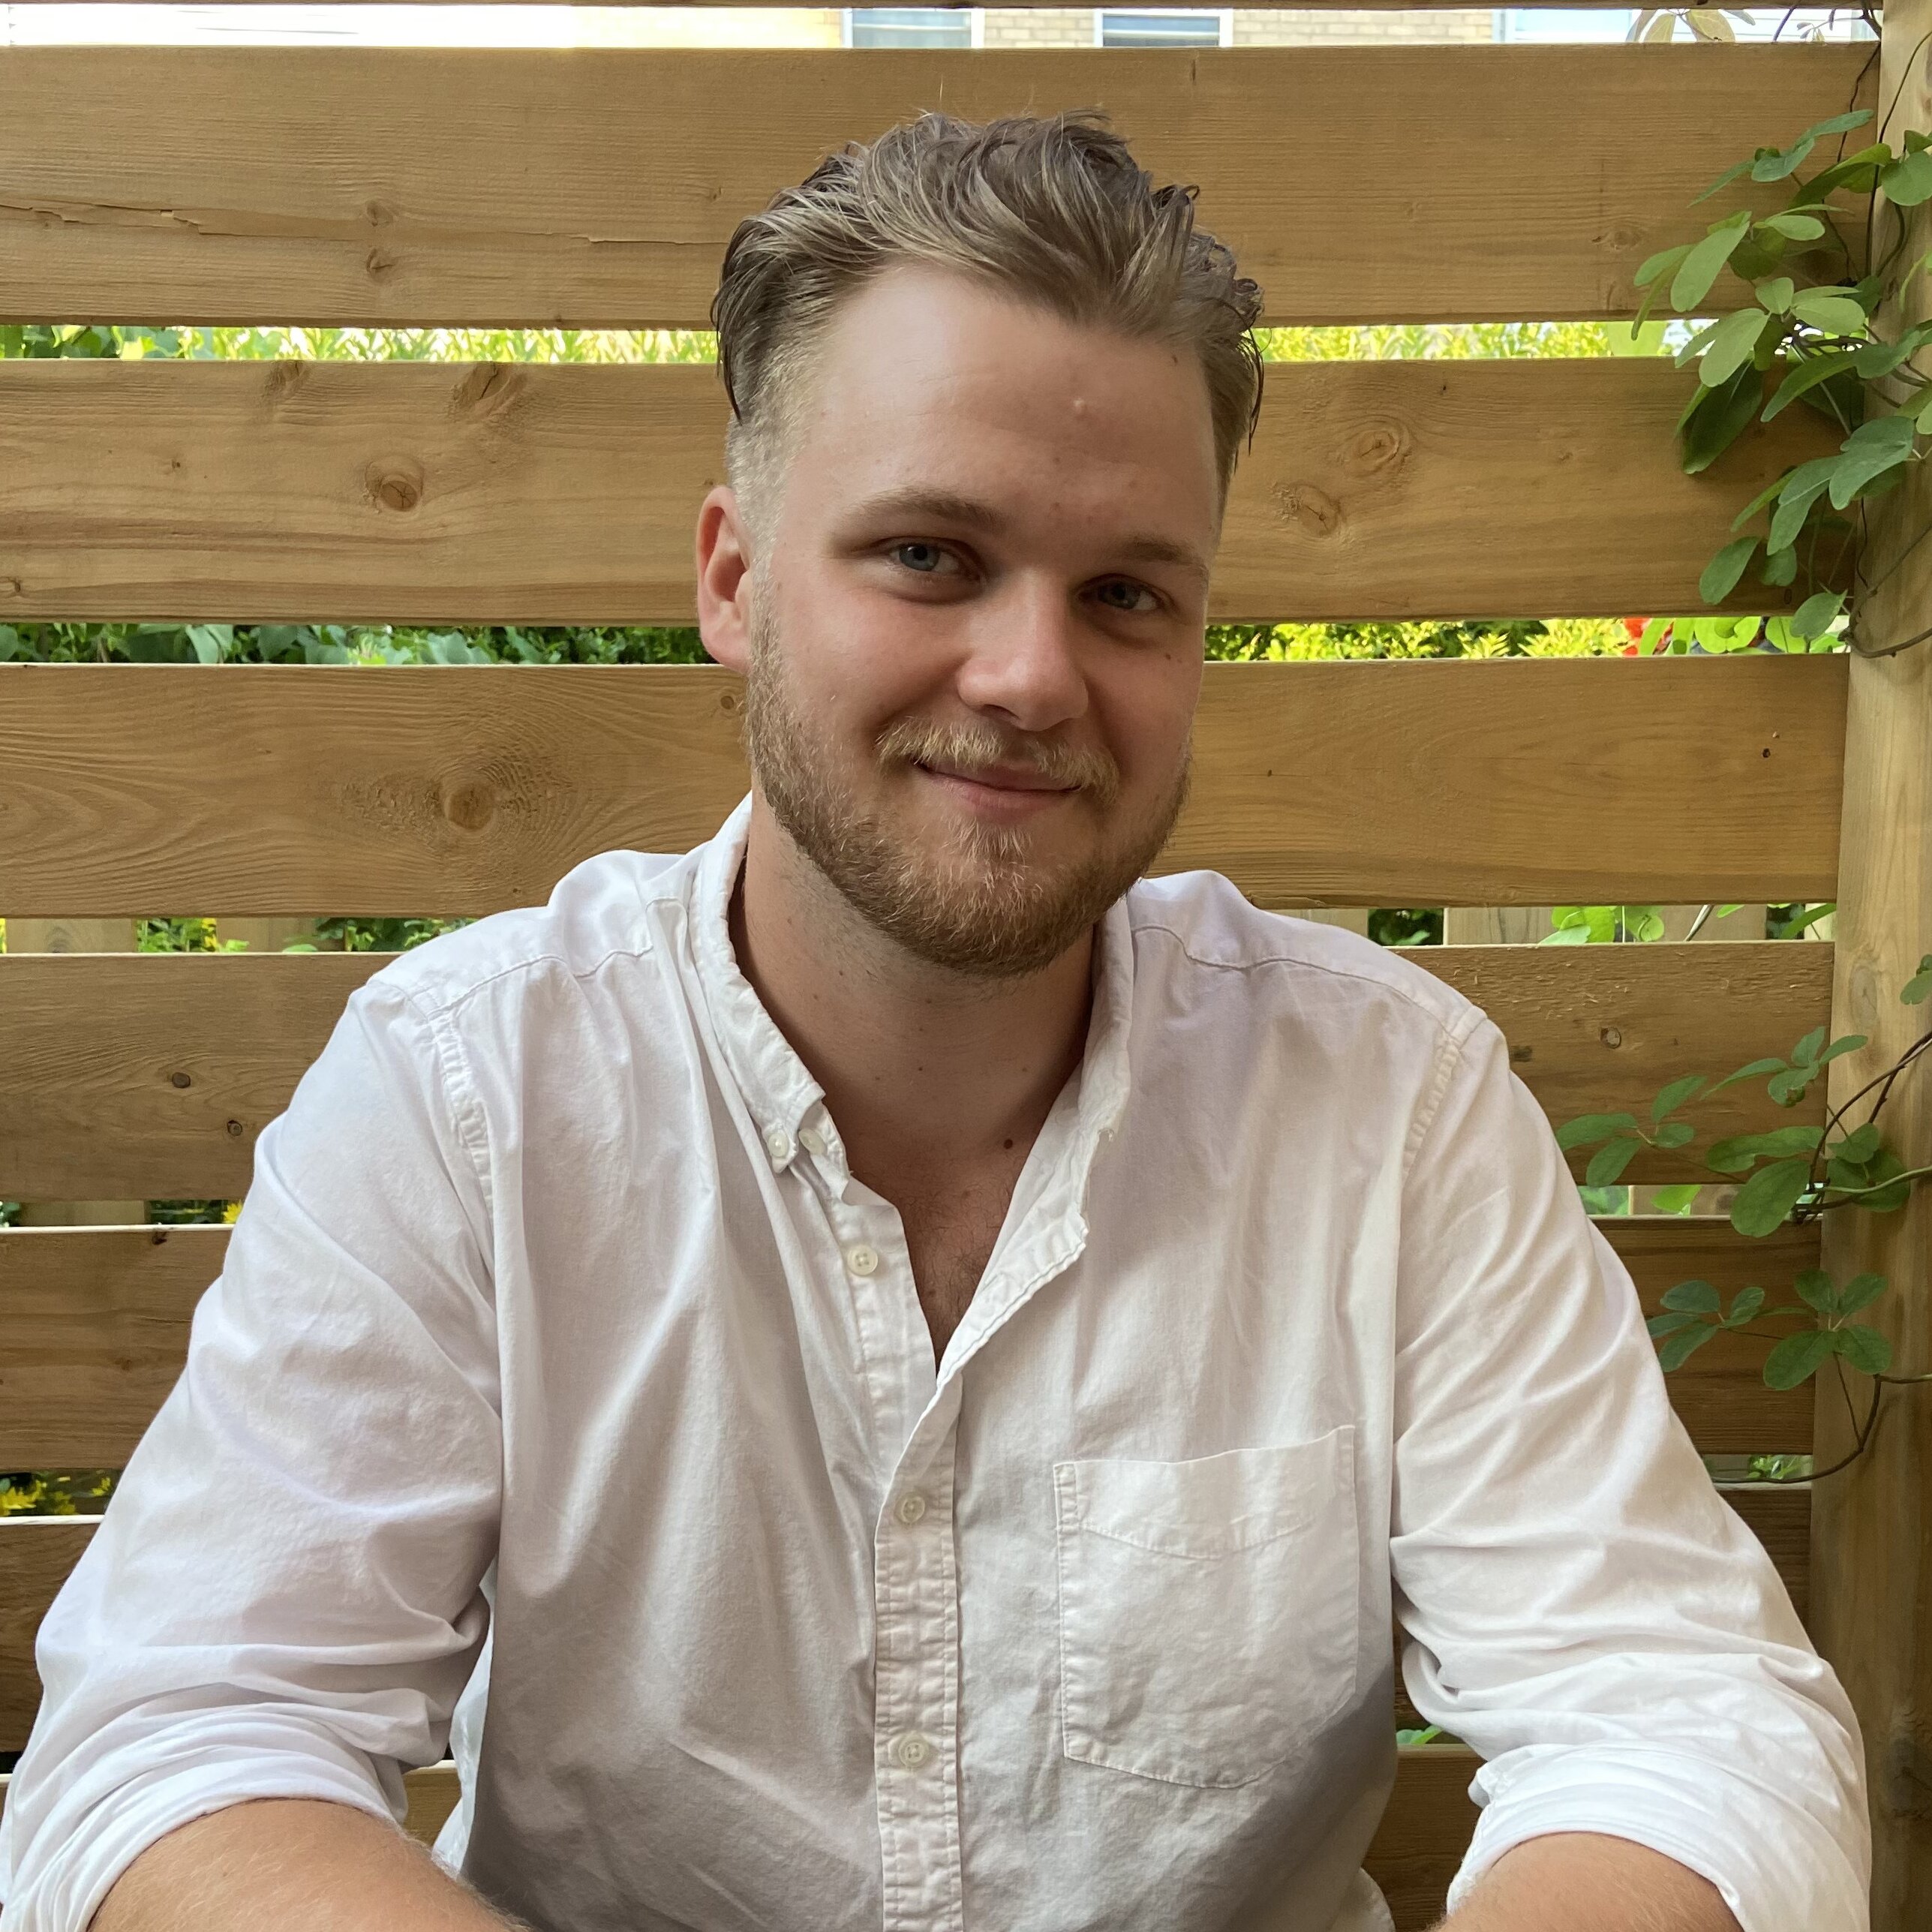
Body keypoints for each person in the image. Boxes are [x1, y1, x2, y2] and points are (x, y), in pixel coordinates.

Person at [0, 112, 1868, 1932]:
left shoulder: (1390, 1102)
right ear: (735, 579)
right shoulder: (469, 1091)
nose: (1031, 673)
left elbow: (1678, 1713)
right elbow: (184, 1733)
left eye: (1126, 591)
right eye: (928, 556)